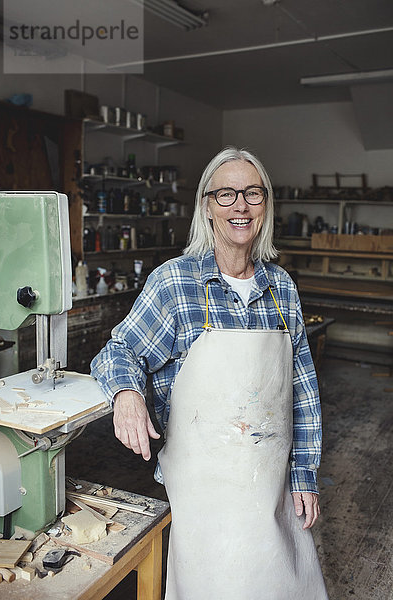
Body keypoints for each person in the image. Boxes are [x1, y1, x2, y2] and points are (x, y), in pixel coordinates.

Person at [91, 147, 328, 599]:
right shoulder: (176, 283)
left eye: (252, 193)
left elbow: (303, 391)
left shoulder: (282, 289)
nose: (240, 205)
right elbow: (118, 349)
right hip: (205, 499)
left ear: (265, 206)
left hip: (271, 489)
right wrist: (126, 395)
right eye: (226, 195)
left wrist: (303, 475)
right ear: (207, 207)